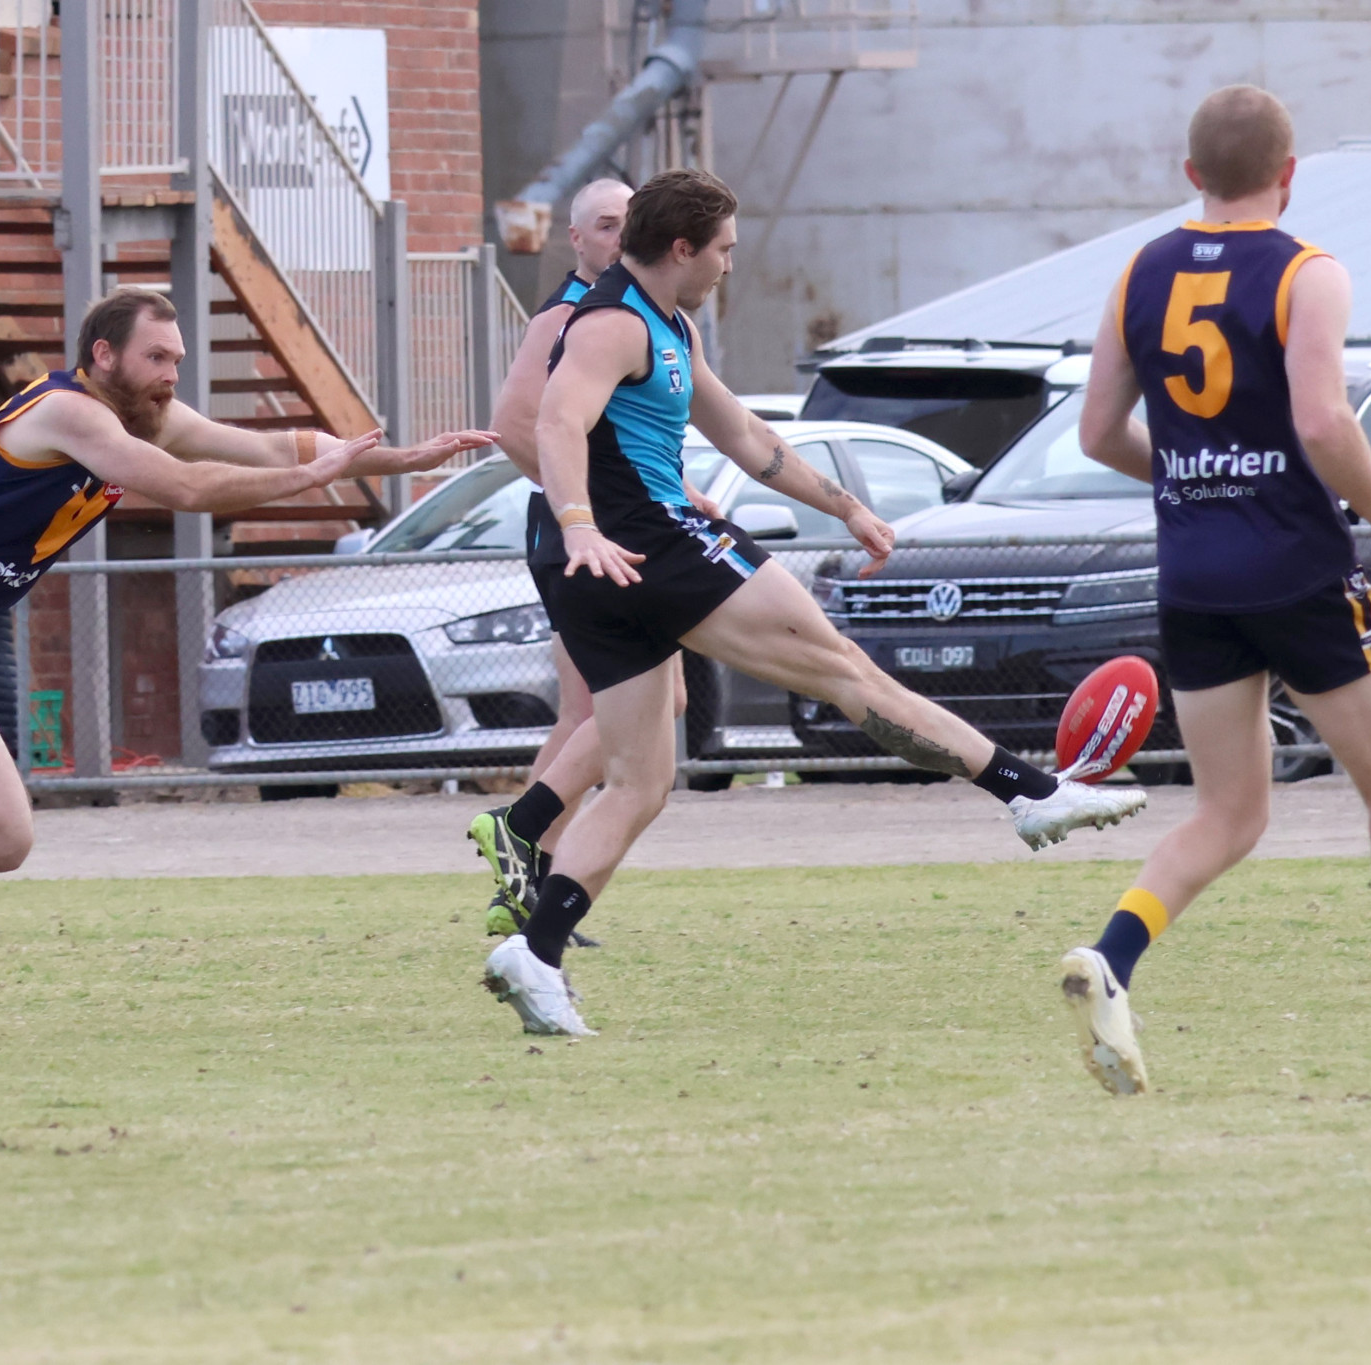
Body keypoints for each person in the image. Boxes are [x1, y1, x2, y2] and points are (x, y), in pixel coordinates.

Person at [0, 285, 498, 1044]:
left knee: (2, 837)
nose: (171, 373)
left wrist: (400, 459)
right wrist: (307, 480)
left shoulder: (142, 415)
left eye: (178, 359)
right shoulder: (68, 412)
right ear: (103, 354)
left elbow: (271, 445)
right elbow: (191, 485)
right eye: (156, 356)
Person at [479, 168, 1147, 1036]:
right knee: (842, 666)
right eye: (722, 248)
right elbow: (555, 423)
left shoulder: (667, 321)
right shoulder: (609, 323)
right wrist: (577, 522)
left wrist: (846, 507)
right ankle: (1027, 790)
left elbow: (751, 438)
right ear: (681, 248)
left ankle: (534, 952)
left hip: (610, 565)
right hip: (650, 546)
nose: (728, 263)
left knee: (640, 782)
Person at [1064, 85, 1371, 1096]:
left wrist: (1195, 482)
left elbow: (1097, 433)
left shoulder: (1136, 273)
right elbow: (1321, 424)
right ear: (1289, 174)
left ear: (1189, 176)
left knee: (1227, 813)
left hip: (1192, 576)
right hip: (1294, 567)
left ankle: (1110, 957)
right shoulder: (1305, 271)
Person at [466, 177, 716, 940]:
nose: (616, 236)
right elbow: (516, 425)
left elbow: (635, 436)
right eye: (604, 225)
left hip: (625, 530)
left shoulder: (642, 316)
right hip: (583, 538)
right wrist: (592, 510)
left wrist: (673, 492)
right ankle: (527, 862)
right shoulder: (573, 313)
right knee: (594, 711)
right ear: (575, 239)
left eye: (627, 222)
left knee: (651, 706)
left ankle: (531, 861)